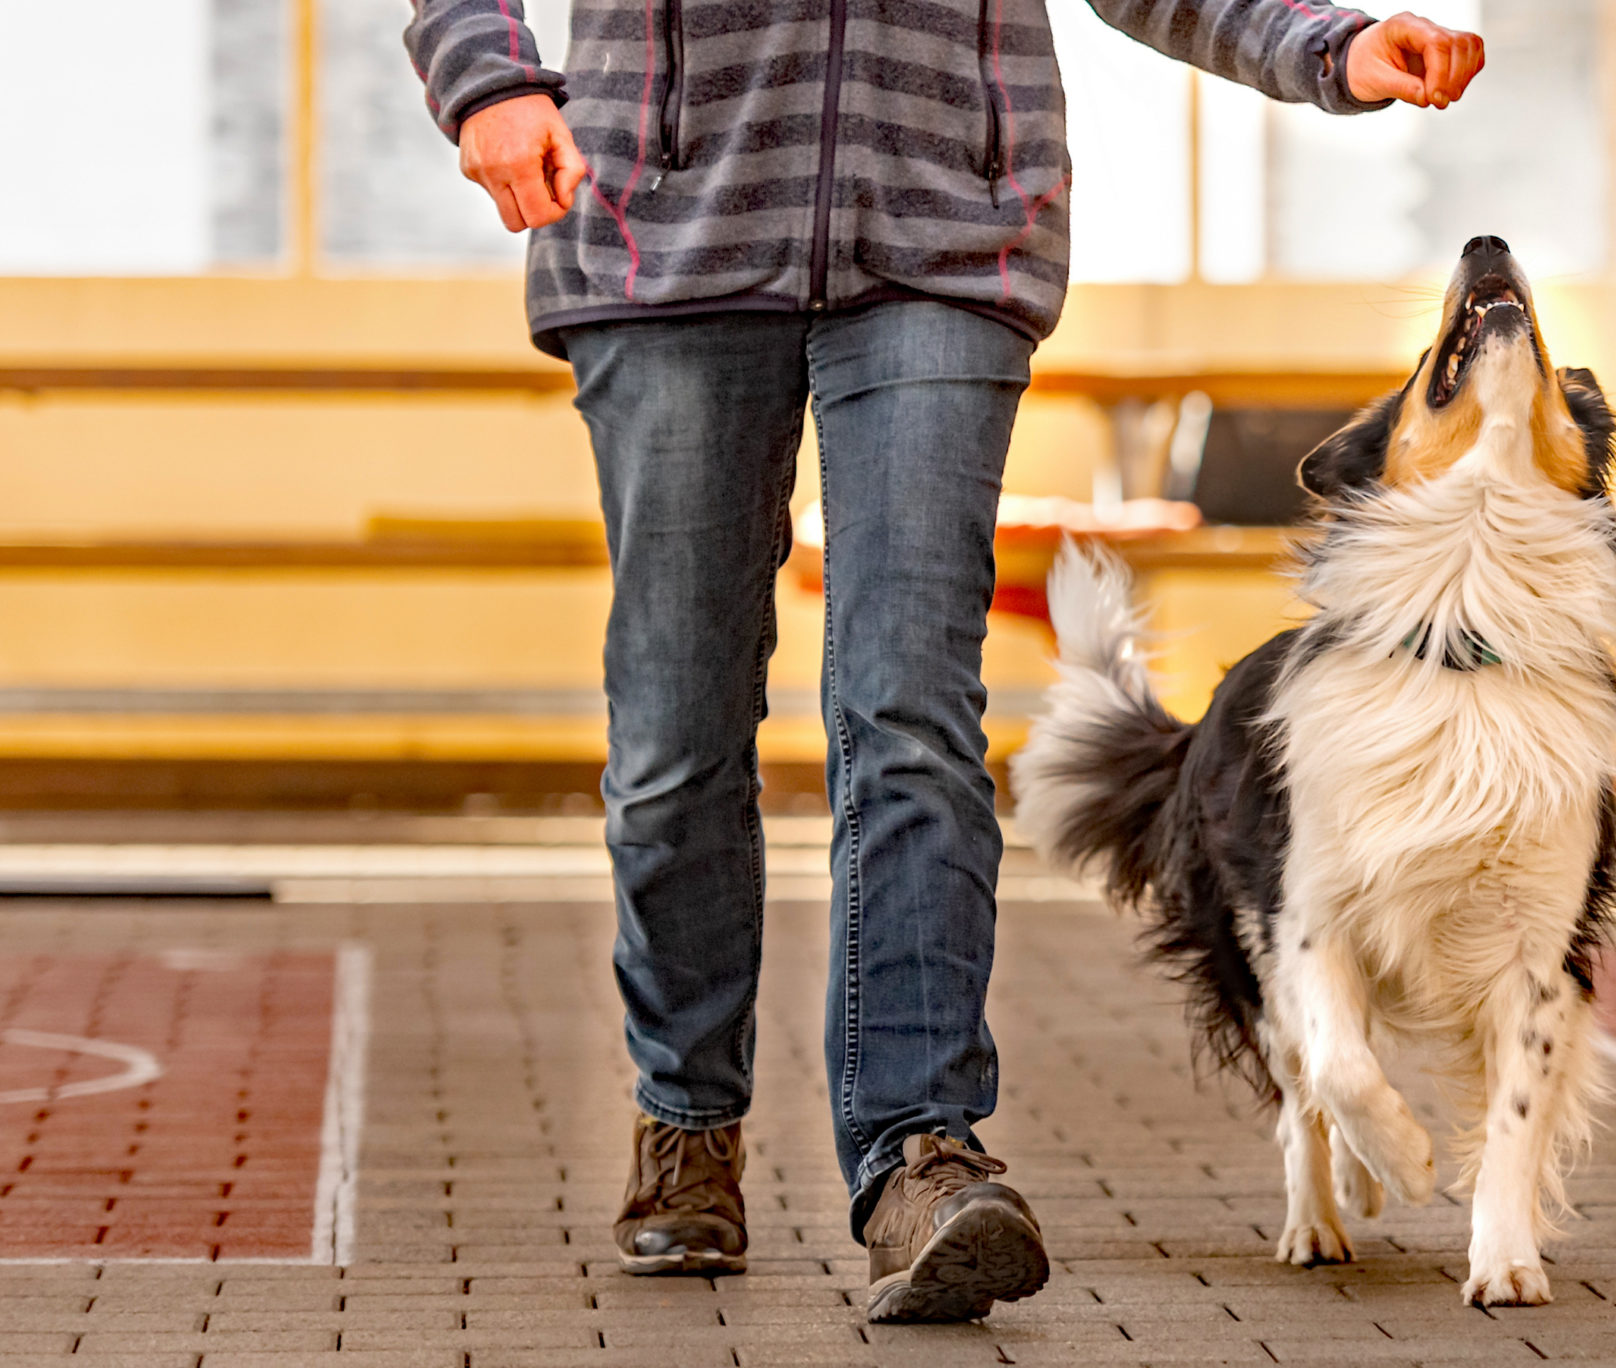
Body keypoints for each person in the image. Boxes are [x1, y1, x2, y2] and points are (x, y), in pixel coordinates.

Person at [403, 0, 1482, 1323]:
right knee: (677, 734)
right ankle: (686, 1115)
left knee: (909, 710)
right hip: (662, 238)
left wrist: (1323, 47)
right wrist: (488, 82)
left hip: (944, 246)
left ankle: (919, 1150)